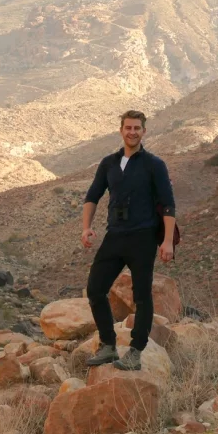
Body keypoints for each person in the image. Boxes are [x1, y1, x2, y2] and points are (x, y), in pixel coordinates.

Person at [80, 110, 176, 371]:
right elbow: (92, 196)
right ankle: (108, 346)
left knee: (142, 296)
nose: (132, 132)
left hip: (143, 238)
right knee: (95, 289)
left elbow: (168, 205)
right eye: (128, 128)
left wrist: (167, 241)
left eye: (137, 128)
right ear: (121, 130)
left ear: (144, 131)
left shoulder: (154, 164)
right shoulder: (109, 163)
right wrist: (86, 227)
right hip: (115, 236)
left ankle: (135, 352)